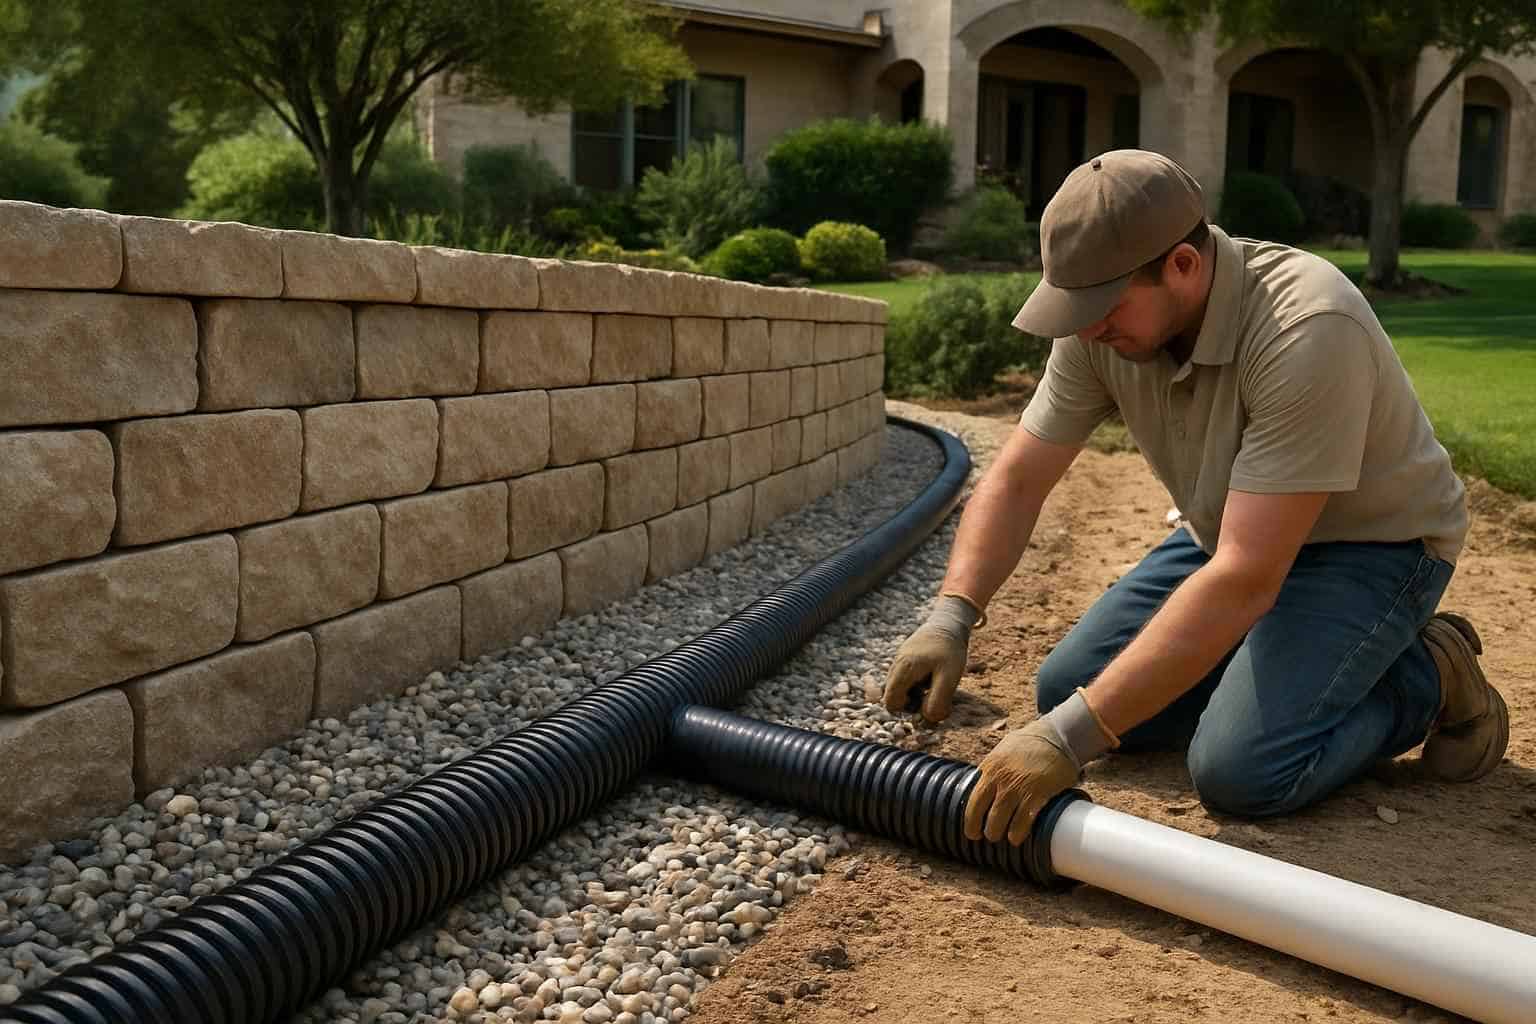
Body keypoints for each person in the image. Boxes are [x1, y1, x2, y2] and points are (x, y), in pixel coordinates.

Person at [881, 149, 1509, 847]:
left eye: (1103, 306)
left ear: (1183, 265)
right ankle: (1290, 672)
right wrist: (951, 617)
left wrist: (1064, 741)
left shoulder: (1305, 325)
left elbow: (1245, 578)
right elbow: (1020, 477)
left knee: (1242, 770)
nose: (1088, 327)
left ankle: (1426, 677)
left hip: (1372, 549)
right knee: (1071, 688)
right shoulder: (1101, 323)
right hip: (1231, 533)